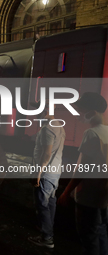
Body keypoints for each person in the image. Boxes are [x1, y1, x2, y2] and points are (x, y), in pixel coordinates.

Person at [58, 92, 108, 255]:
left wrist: (67, 191)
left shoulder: (91, 133)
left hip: (89, 195)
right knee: (102, 234)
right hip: (104, 194)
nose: (78, 116)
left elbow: (81, 169)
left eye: (80, 111)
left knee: (89, 237)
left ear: (92, 113)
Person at [28, 101, 66, 249]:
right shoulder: (58, 126)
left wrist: (37, 174)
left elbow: (47, 154)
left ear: (43, 110)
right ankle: (47, 229)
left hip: (45, 173)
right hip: (55, 171)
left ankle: (47, 238)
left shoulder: (47, 128)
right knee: (50, 203)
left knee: (42, 205)